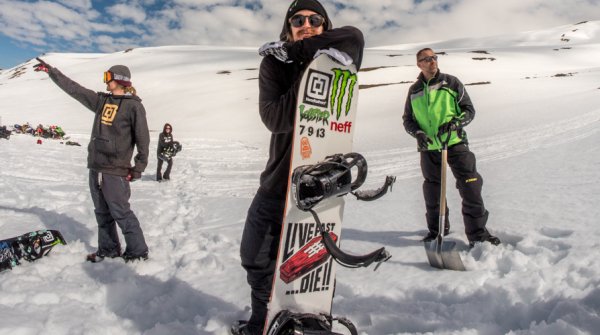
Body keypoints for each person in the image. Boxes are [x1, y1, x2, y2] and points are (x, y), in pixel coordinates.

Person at [238, 1, 364, 334]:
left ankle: (311, 323)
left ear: (325, 25)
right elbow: (275, 119)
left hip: (322, 185)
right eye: (297, 20)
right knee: (255, 255)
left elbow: (354, 35)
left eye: (314, 19)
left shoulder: (342, 55)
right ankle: (262, 321)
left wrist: (308, 53)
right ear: (287, 25)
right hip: (278, 180)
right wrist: (305, 71)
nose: (305, 23)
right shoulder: (275, 64)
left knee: (311, 265)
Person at [33, 58, 150, 262]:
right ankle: (109, 250)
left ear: (120, 80)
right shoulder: (101, 101)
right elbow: (75, 90)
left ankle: (138, 252)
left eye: (108, 77)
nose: (105, 81)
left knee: (121, 213)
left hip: (115, 169)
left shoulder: (134, 107)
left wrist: (138, 167)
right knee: (102, 213)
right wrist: (52, 72)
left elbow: (143, 139)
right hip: (96, 167)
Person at [403, 48, 500, 248]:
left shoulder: (451, 82)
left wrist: (455, 123)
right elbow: (408, 120)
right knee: (433, 190)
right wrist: (418, 134)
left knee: (470, 186)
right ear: (419, 64)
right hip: (429, 148)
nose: (433, 61)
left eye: (434, 58)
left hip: (455, 143)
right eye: (427, 59)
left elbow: (469, 110)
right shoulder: (414, 90)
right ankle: (437, 231)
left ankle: (477, 234)